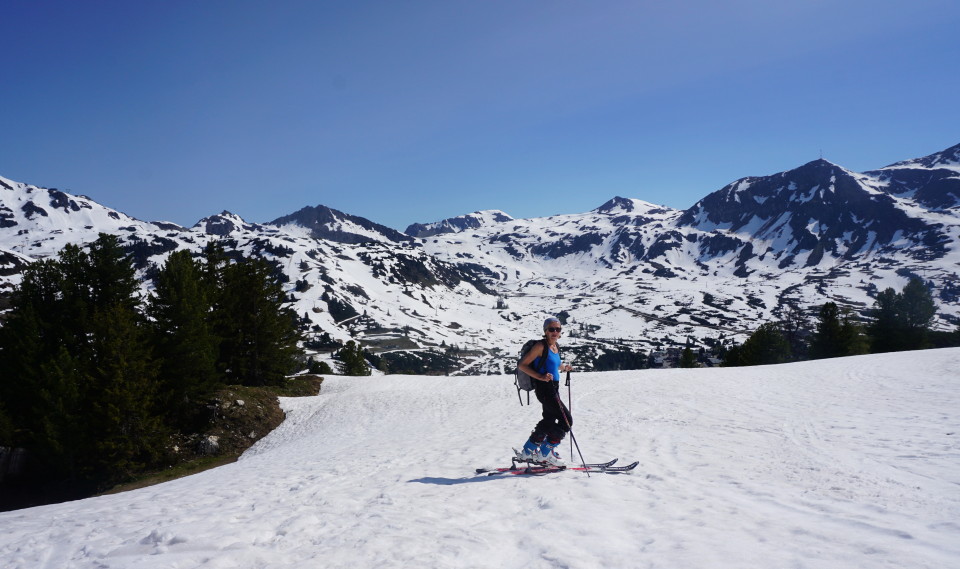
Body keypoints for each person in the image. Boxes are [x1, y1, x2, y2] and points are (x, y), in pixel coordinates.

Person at [516, 317, 573, 466]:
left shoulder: (555, 346)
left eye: (558, 329)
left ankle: (528, 451)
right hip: (545, 389)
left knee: (548, 420)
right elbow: (522, 365)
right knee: (566, 421)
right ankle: (545, 454)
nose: (555, 332)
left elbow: (554, 364)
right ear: (545, 331)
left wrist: (564, 368)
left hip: (553, 386)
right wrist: (540, 376)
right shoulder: (540, 346)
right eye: (551, 329)